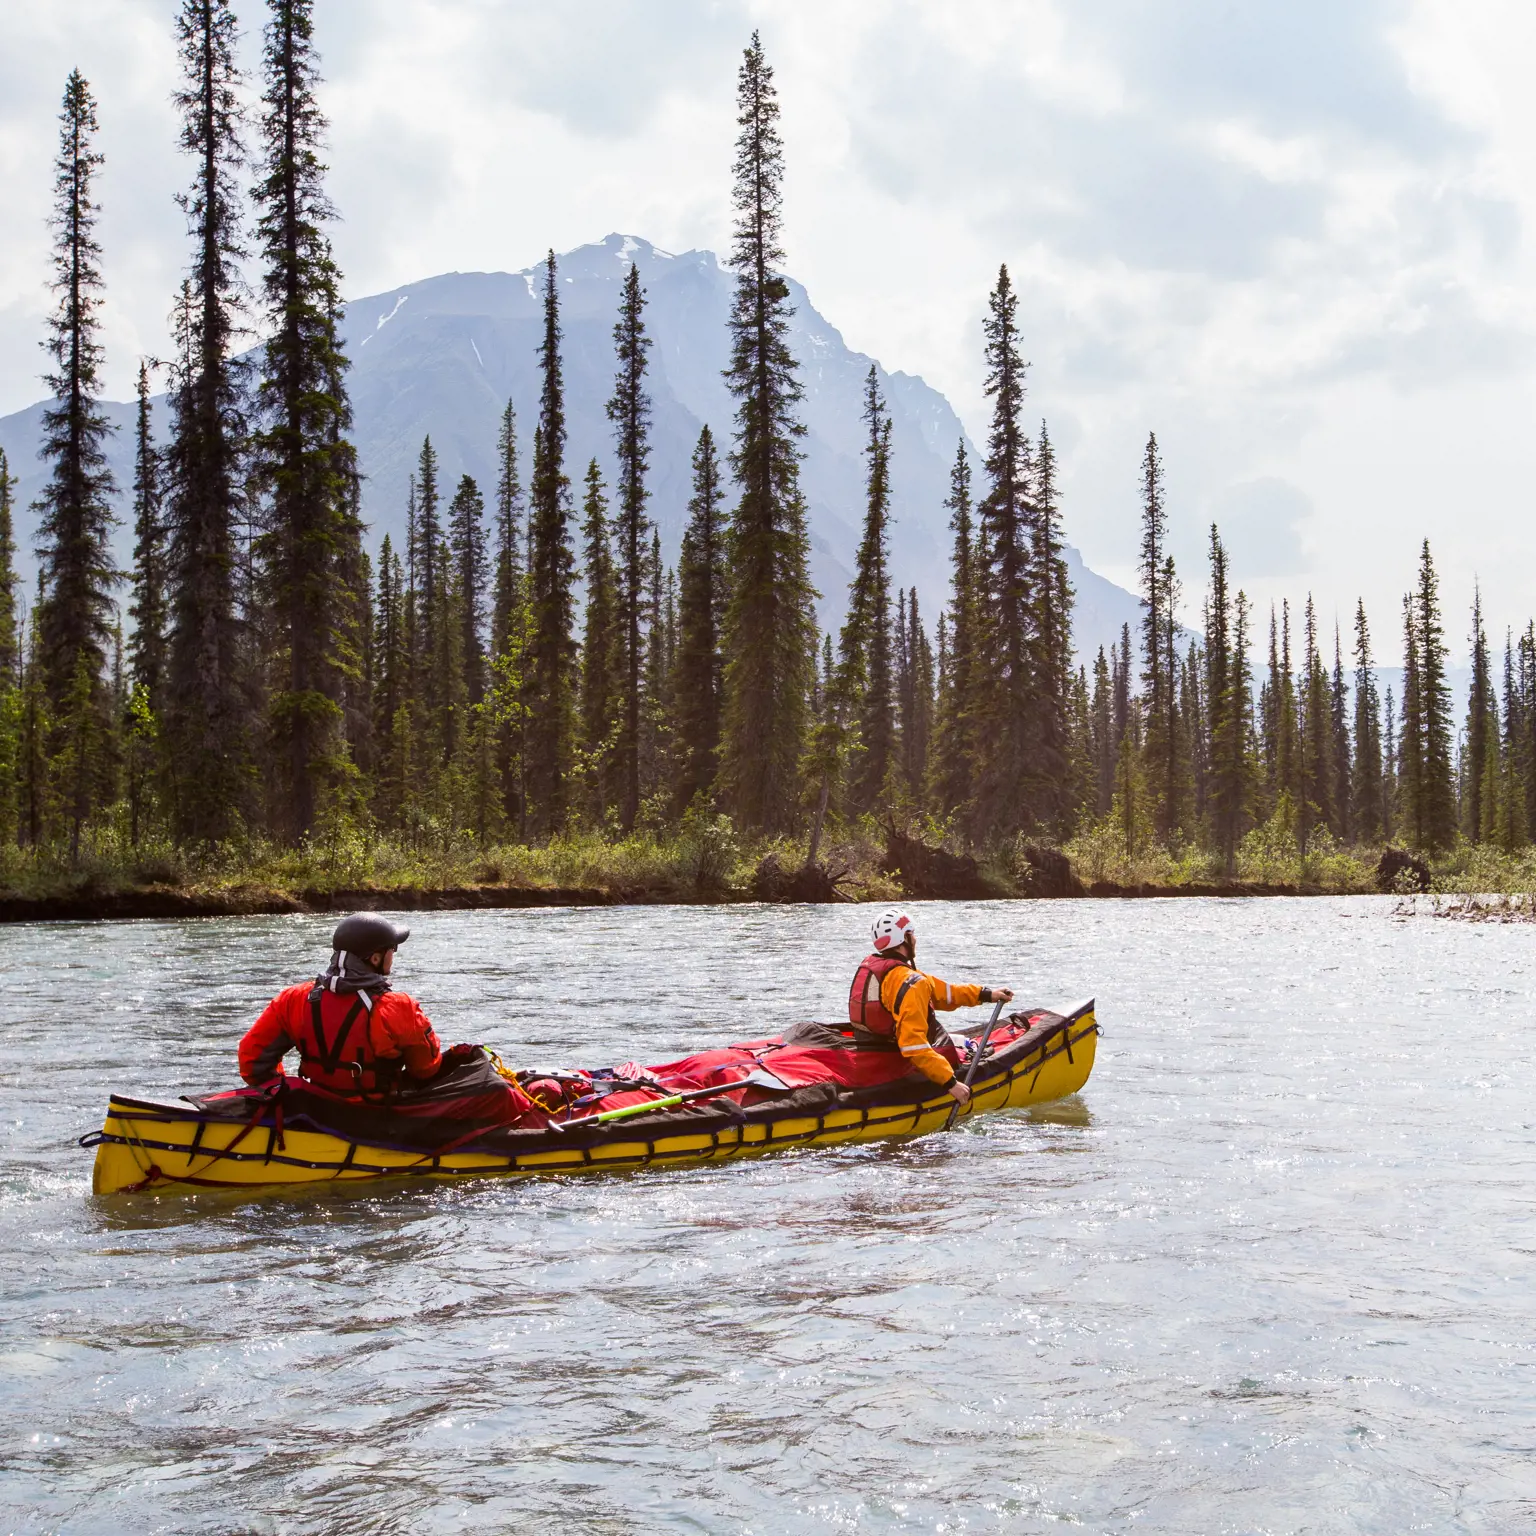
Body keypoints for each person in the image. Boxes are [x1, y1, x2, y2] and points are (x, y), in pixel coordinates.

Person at [238, 913, 442, 1095]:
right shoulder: (399, 1007)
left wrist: (286, 1094)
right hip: (376, 1116)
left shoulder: (293, 998)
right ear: (376, 958)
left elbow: (252, 1063)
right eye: (392, 949)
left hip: (313, 1111)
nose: (394, 954)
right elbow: (426, 1070)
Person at [848, 908, 1014, 1104]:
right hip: (896, 1061)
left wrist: (986, 994)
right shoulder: (910, 981)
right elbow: (913, 1046)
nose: (916, 939)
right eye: (913, 934)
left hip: (874, 1051)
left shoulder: (882, 968)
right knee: (950, 1050)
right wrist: (951, 1083)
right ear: (906, 937)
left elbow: (946, 993)